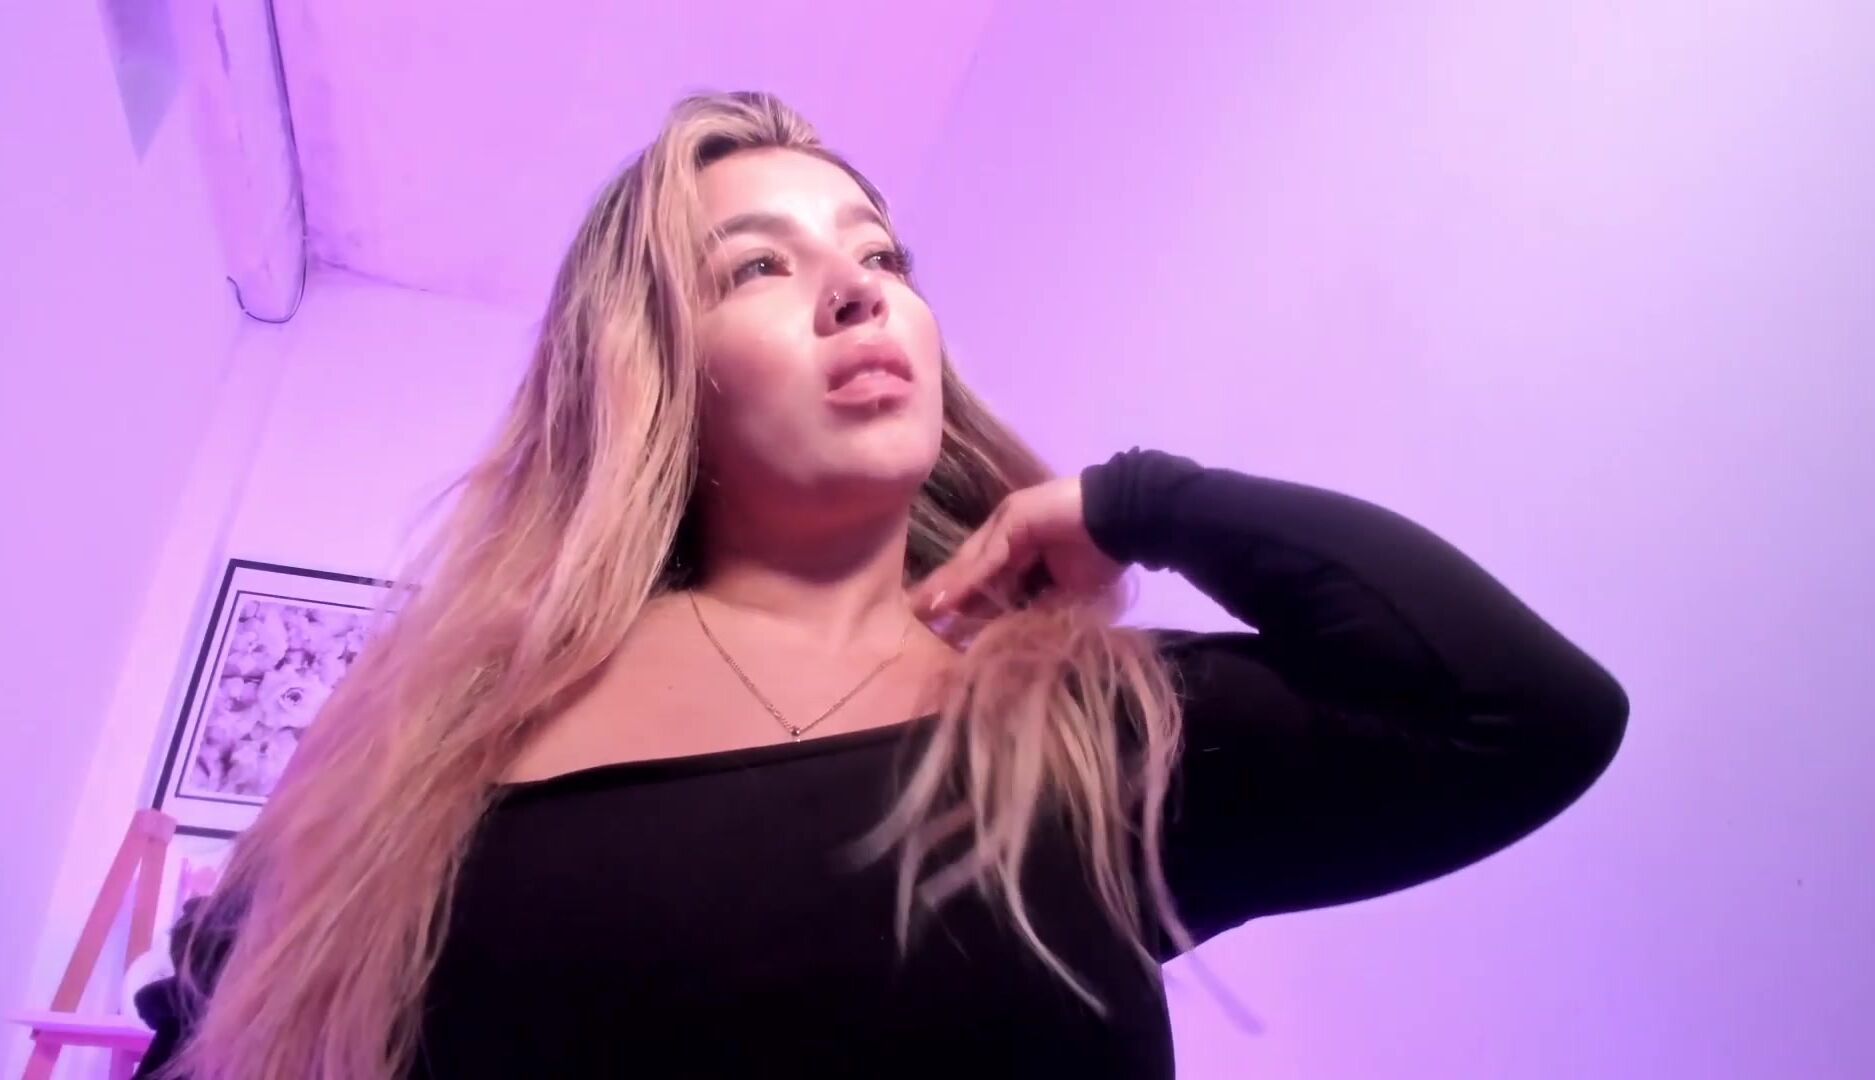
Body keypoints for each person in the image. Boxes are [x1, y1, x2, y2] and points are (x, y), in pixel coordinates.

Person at [131, 90, 1628, 1079]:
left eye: (882, 254)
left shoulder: (1079, 727)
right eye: (758, 268)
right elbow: (210, 1030)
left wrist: (1144, 501)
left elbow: (1518, 715)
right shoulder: (442, 736)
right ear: (655, 376)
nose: (859, 288)